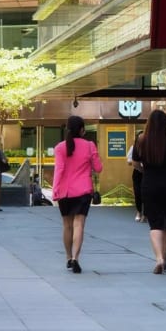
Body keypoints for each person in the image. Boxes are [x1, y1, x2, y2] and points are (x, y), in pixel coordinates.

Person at [132, 109, 166, 274]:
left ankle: (159, 259)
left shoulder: (141, 140)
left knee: (155, 223)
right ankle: (165, 257)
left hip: (150, 184)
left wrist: (145, 171)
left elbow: (135, 163)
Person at [52, 116, 103, 273]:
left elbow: (59, 170)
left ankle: (68, 258)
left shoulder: (60, 147)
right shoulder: (89, 146)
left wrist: (55, 190)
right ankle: (75, 258)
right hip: (83, 191)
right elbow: (98, 168)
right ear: (82, 130)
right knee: (79, 224)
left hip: (64, 192)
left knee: (67, 225)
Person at [126, 131, 145, 222]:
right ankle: (139, 211)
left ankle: (146, 214)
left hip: (148, 173)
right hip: (138, 172)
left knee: (147, 194)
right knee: (138, 193)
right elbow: (129, 161)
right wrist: (138, 163)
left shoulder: (150, 147)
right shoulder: (134, 147)